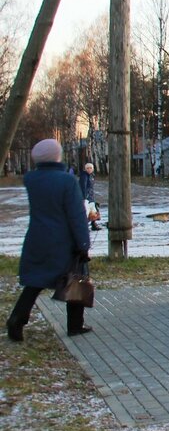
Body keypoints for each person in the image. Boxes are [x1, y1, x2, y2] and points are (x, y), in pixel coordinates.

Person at [6, 138, 93, 341]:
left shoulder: (31, 180)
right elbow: (76, 216)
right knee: (75, 278)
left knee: (34, 283)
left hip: (37, 237)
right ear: (57, 156)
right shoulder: (66, 181)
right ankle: (75, 325)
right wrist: (83, 243)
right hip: (63, 241)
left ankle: (16, 320)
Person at [79, 162, 100, 231]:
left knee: (93, 211)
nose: (89, 169)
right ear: (85, 169)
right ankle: (84, 226)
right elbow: (83, 187)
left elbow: (91, 188)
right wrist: (84, 197)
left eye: (90, 168)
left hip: (91, 196)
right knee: (86, 212)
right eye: (87, 168)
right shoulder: (84, 176)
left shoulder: (91, 176)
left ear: (93, 169)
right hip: (86, 197)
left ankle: (93, 224)